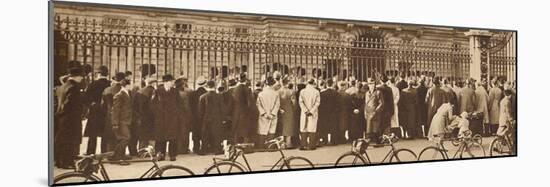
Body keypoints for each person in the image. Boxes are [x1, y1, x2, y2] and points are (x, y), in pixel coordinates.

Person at [54, 66, 85, 169]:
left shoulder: (64, 86)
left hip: (62, 117)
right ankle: (66, 162)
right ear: (76, 76)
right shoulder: (74, 87)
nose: (82, 78)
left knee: (63, 140)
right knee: (70, 141)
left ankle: (59, 161)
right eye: (81, 76)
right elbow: (70, 104)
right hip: (71, 118)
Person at [152, 74, 180, 161]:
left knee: (173, 138)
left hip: (172, 118)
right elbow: (153, 104)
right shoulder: (157, 91)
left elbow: (179, 104)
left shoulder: (175, 91)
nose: (173, 83)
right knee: (161, 138)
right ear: (166, 82)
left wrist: (177, 115)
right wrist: (157, 115)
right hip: (161, 119)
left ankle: (172, 155)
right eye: (172, 81)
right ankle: (161, 154)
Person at [83, 65, 111, 155]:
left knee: (93, 134)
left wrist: (92, 104)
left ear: (98, 74)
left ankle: (90, 152)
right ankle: (104, 151)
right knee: (105, 133)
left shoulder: (93, 84)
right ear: (107, 74)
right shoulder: (110, 84)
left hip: (95, 111)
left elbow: (86, 98)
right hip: (106, 111)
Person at [109, 79, 133, 164]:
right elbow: (115, 110)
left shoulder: (127, 93)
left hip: (127, 120)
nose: (132, 85)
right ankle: (116, 156)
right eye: (131, 83)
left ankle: (121, 155)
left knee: (123, 138)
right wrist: (115, 123)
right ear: (127, 85)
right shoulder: (119, 95)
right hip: (121, 120)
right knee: (126, 138)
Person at [199, 80, 227, 155]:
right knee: (217, 134)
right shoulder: (219, 96)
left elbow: (201, 111)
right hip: (217, 118)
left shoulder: (202, 97)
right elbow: (223, 108)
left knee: (205, 134)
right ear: (214, 86)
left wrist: (201, 119)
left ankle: (204, 150)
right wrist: (223, 119)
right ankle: (217, 150)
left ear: (207, 87)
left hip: (206, 118)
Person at [101, 72, 126, 153]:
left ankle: (107, 153)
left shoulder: (107, 89)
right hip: (121, 115)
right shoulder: (123, 90)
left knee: (109, 136)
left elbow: (102, 104)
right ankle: (119, 153)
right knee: (120, 135)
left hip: (108, 115)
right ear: (122, 80)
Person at [256, 77, 281, 149]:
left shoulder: (261, 94)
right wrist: (272, 113)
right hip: (273, 115)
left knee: (262, 130)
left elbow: (258, 104)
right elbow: (277, 105)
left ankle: (261, 146)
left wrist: (264, 113)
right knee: (271, 130)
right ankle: (270, 147)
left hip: (263, 115)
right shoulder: (275, 93)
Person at [134, 77, 157, 153]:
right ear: (153, 84)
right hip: (151, 117)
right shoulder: (153, 91)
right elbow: (154, 105)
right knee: (152, 135)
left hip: (141, 116)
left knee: (142, 136)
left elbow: (135, 106)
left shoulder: (139, 92)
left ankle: (141, 151)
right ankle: (151, 152)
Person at [230, 74, 254, 144]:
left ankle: (235, 144)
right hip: (245, 112)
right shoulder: (247, 89)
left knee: (236, 129)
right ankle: (245, 145)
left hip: (236, 112)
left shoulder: (234, 89)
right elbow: (250, 103)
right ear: (245, 79)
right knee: (245, 129)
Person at [298, 78, 321, 150]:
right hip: (313, 112)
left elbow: (300, 102)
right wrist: (311, 111)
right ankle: (311, 145)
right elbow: (317, 103)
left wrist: (305, 110)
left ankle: (303, 145)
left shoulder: (302, 91)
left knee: (303, 128)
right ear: (313, 83)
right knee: (312, 128)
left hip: (304, 112)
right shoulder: (316, 92)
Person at [175, 77, 194, 154]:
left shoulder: (173, 92)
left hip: (175, 116)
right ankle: (183, 149)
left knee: (176, 132)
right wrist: (190, 115)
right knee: (184, 132)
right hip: (183, 116)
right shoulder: (184, 94)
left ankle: (177, 148)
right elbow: (187, 107)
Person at [318, 79, 339, 145]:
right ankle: (334, 141)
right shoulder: (336, 93)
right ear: (332, 84)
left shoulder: (322, 93)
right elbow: (338, 104)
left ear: (326, 84)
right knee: (334, 126)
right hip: (334, 112)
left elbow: (321, 104)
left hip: (325, 113)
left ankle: (325, 140)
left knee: (325, 126)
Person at [278, 78, 297, 148]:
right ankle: (288, 143)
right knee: (289, 127)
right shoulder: (291, 92)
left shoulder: (278, 91)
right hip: (289, 110)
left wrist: (279, 109)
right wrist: (294, 109)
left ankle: (282, 144)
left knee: (282, 126)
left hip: (281, 110)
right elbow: (294, 103)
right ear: (287, 83)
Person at [364, 78, 384, 142]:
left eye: (372, 84)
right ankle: (370, 140)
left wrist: (376, 111)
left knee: (376, 128)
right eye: (369, 84)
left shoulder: (378, 92)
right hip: (368, 113)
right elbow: (366, 103)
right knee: (369, 128)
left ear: (374, 84)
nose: (371, 85)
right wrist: (365, 111)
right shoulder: (367, 93)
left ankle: (378, 140)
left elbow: (381, 103)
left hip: (375, 112)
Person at [190, 77, 207, 153]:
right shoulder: (206, 93)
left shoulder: (192, 94)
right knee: (204, 131)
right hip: (204, 116)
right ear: (205, 83)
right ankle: (204, 147)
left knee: (196, 132)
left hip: (195, 116)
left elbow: (190, 105)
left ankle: (196, 147)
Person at [377, 75, 394, 140]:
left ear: (381, 81)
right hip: (388, 109)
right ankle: (386, 138)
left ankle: (380, 138)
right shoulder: (389, 89)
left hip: (381, 108)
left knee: (380, 124)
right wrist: (392, 111)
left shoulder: (379, 88)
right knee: (387, 124)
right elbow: (391, 100)